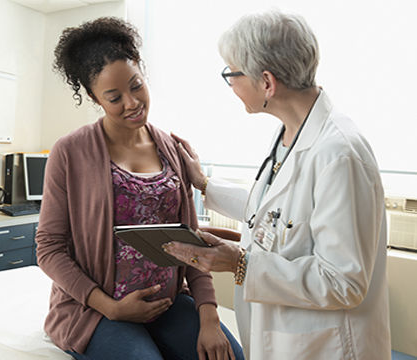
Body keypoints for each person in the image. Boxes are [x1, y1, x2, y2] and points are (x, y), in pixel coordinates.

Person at [165, 11, 391, 360]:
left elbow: (344, 282)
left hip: (329, 349)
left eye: (232, 74)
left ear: (267, 82)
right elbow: (281, 213)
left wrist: (241, 264)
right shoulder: (291, 134)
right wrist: (204, 184)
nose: (232, 86)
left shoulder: (339, 154)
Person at [35, 17, 244, 360]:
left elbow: (190, 239)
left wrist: (209, 315)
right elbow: (49, 248)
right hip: (101, 311)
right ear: (94, 98)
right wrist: (110, 308)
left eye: (136, 86)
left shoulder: (171, 148)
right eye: (114, 97)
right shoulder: (70, 151)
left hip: (169, 303)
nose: (132, 103)